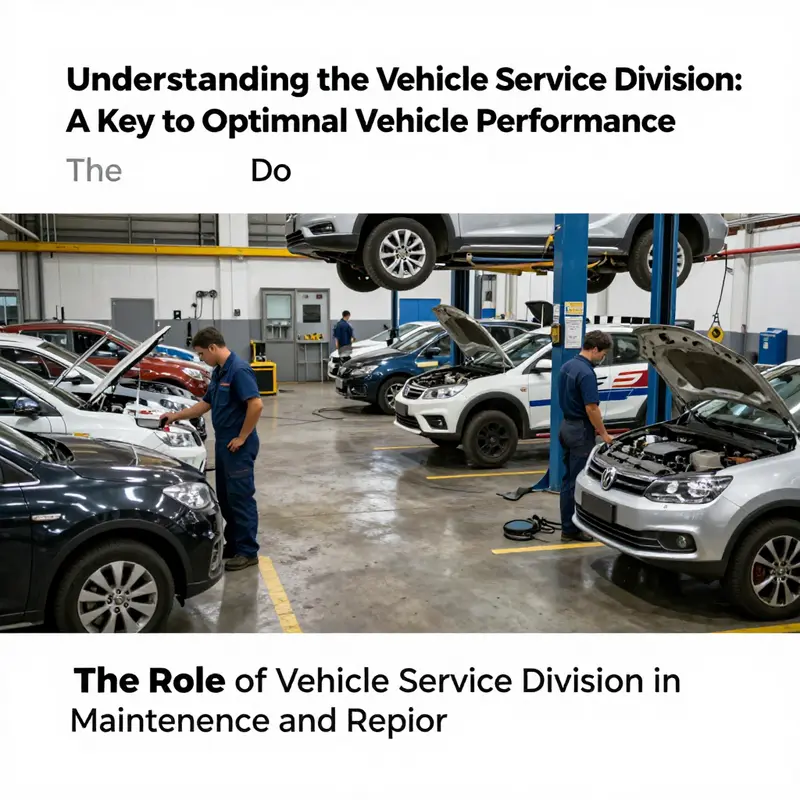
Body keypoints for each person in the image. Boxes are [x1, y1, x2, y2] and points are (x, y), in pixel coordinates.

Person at [162, 327, 263, 571]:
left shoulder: (238, 370)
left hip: (237, 444)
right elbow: (205, 404)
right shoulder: (219, 373)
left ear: (212, 348)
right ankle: (236, 543)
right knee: (227, 499)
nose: (201, 359)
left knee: (240, 498)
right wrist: (176, 416)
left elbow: (256, 405)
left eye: (200, 354)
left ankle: (248, 551)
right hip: (224, 443)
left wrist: (242, 436)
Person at [557, 330, 613, 543]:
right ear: (595, 349)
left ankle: (567, 524)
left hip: (566, 427)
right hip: (580, 431)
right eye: (603, 354)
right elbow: (591, 408)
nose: (603, 358)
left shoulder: (567, 366)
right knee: (577, 481)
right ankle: (571, 529)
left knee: (568, 479)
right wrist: (605, 434)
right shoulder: (587, 373)